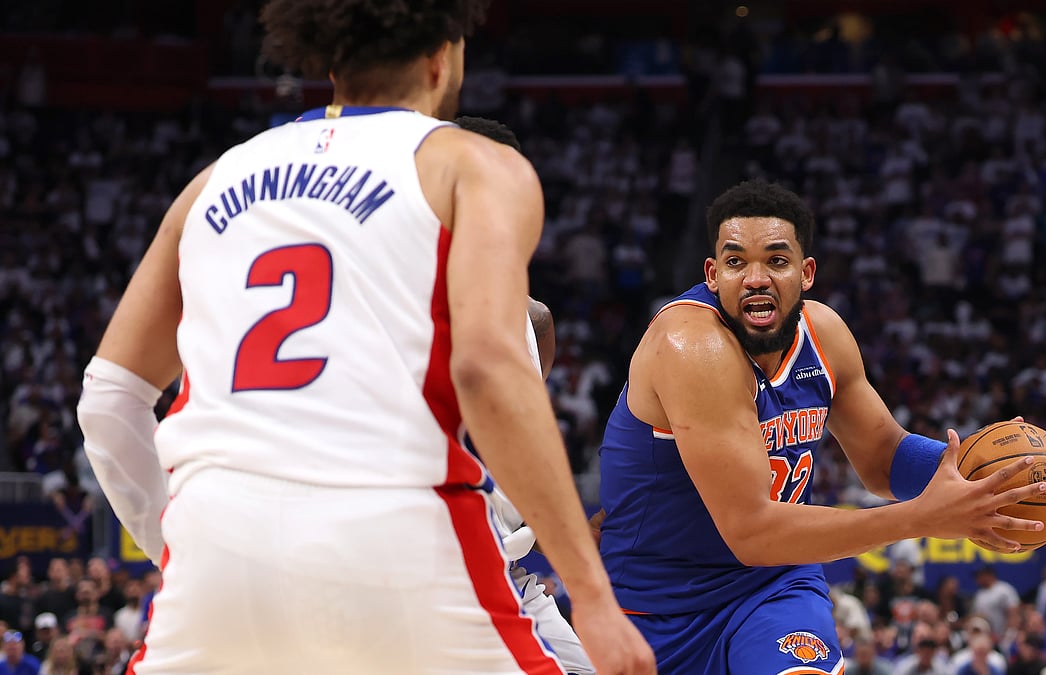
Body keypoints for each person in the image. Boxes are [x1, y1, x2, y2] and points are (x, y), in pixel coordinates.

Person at [73, 1, 654, 672]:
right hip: (397, 544)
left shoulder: (215, 178)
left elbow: (109, 398)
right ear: (444, 55)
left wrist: (186, 540)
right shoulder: (474, 165)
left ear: (327, 60)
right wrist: (594, 596)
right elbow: (487, 367)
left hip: (216, 560)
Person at [596, 179, 1046, 673]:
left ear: (806, 273)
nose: (756, 278)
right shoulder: (693, 346)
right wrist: (923, 517)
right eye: (737, 262)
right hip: (656, 607)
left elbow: (885, 458)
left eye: (776, 261)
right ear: (713, 275)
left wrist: (996, 477)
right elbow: (750, 531)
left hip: (773, 586)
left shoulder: (823, 335)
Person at [453, 114, 595, 675]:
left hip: (513, 576)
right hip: (425, 568)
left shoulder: (534, 319)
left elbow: (529, 453)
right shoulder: (399, 299)